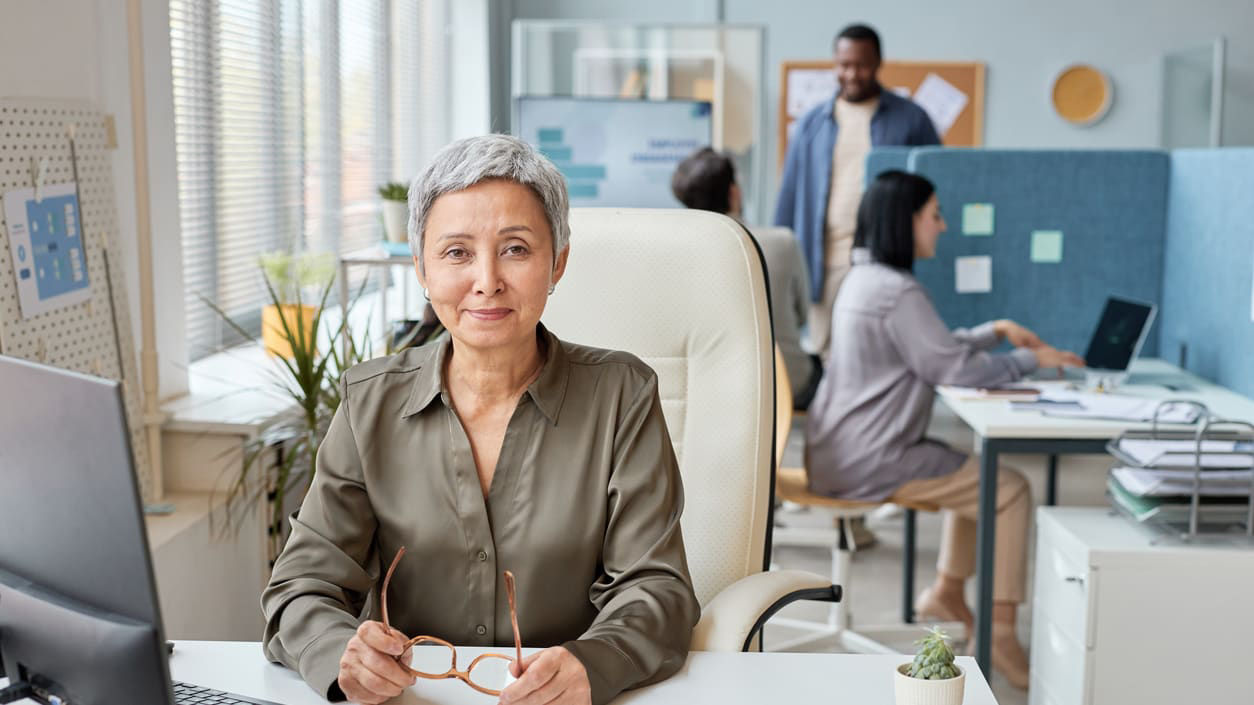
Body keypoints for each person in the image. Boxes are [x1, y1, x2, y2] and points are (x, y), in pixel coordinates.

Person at [261, 134, 700, 705]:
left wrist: (594, 664)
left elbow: (657, 587)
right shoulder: (369, 402)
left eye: (516, 249)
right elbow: (302, 585)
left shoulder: (623, 395)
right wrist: (341, 652)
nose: (487, 280)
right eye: (456, 252)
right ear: (420, 267)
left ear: (558, 262)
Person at [805, 170, 1084, 689]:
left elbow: (930, 347)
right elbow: (952, 369)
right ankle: (1000, 632)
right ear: (904, 220)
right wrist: (1030, 359)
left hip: (841, 450)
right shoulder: (898, 290)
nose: (943, 225)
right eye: (934, 214)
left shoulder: (862, 280)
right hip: (872, 458)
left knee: (977, 475)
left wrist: (994, 332)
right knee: (1009, 488)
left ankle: (948, 591)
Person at [774, 23, 941, 361]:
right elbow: (789, 198)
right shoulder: (811, 124)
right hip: (824, 263)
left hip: (884, 262)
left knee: (881, 356)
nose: (851, 73)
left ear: (878, 63)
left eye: (861, 65)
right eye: (843, 65)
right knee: (826, 357)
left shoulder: (911, 119)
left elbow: (933, 191)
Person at [671, 146, 820, 408]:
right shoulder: (782, 242)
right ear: (734, 193)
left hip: (715, 388)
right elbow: (802, 317)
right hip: (786, 385)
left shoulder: (677, 253)